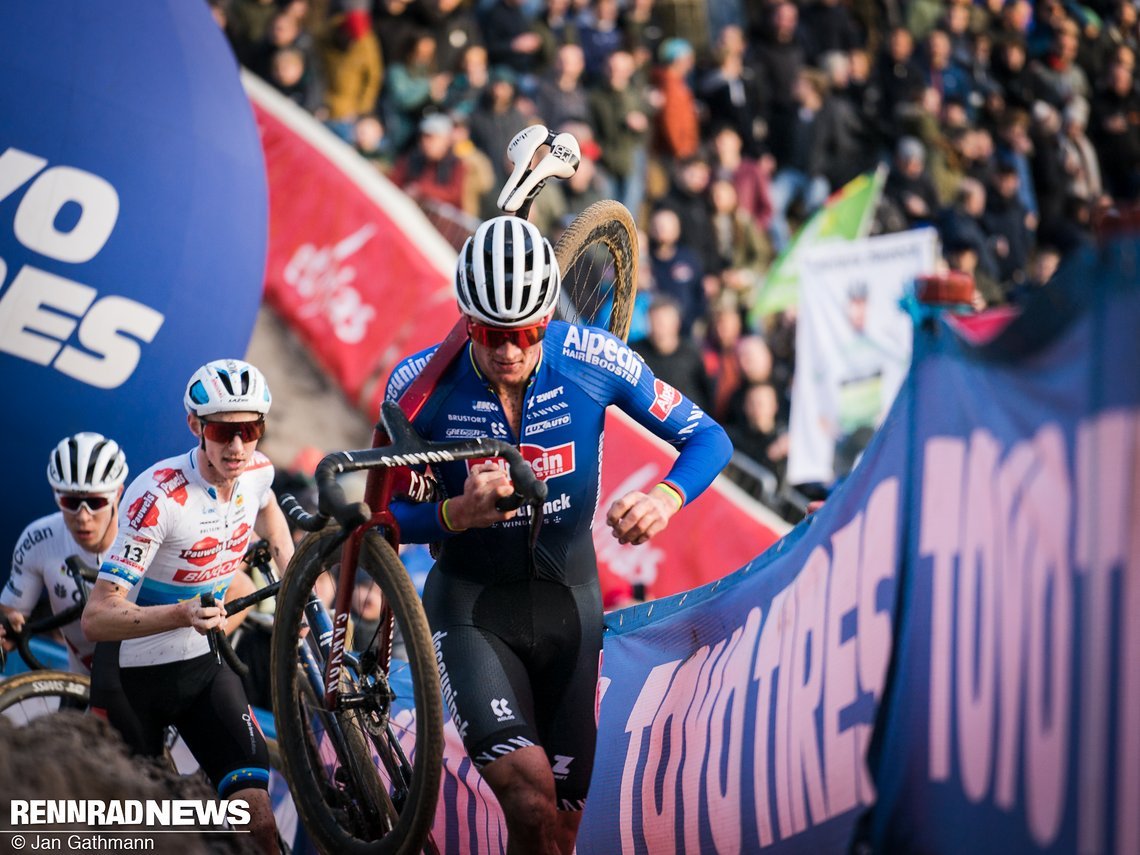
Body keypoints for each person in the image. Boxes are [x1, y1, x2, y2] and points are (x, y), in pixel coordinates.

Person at [384, 216, 733, 854]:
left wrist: (665, 496)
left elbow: (711, 436)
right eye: (490, 334)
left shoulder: (590, 357)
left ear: (547, 318)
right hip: (471, 609)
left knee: (558, 829)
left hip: (571, 606)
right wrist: (452, 515)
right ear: (465, 320)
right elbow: (375, 519)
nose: (508, 350)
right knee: (528, 792)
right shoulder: (421, 386)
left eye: (524, 333)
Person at [82, 359, 294, 855]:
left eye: (250, 430)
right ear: (196, 426)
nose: (238, 446)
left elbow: (272, 518)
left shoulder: (258, 472)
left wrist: (293, 577)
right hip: (130, 679)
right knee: (140, 836)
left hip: (203, 669)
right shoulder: (158, 497)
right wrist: (180, 615)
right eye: (223, 431)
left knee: (257, 819)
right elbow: (96, 617)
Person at [1, 432, 128, 674]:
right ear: (56, 496)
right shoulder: (39, 538)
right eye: (70, 502)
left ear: (118, 493)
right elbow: (10, 615)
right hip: (80, 681)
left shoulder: (144, 537)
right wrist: (8, 629)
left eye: (95, 502)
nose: (82, 516)